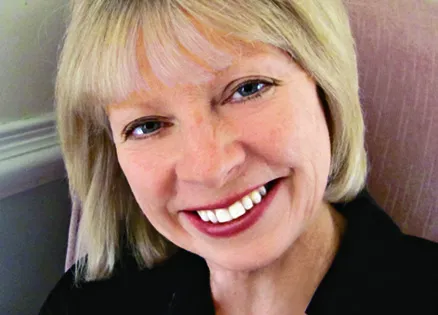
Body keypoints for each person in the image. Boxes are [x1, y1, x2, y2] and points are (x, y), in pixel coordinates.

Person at [39, 1, 438, 314]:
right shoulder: (86, 302)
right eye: (147, 126)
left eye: (248, 89)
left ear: (325, 91)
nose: (209, 168)